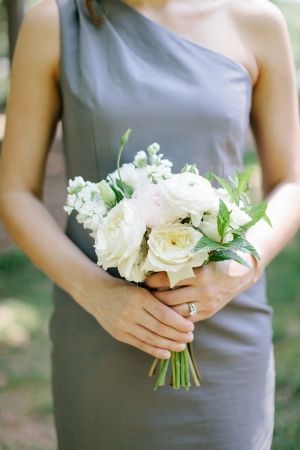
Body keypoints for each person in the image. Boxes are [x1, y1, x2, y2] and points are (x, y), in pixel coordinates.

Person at [0, 0, 300, 448]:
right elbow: (14, 192)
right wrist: (99, 295)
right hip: (101, 331)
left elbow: (291, 182)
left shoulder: (255, 21)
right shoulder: (56, 22)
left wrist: (239, 268)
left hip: (224, 317)